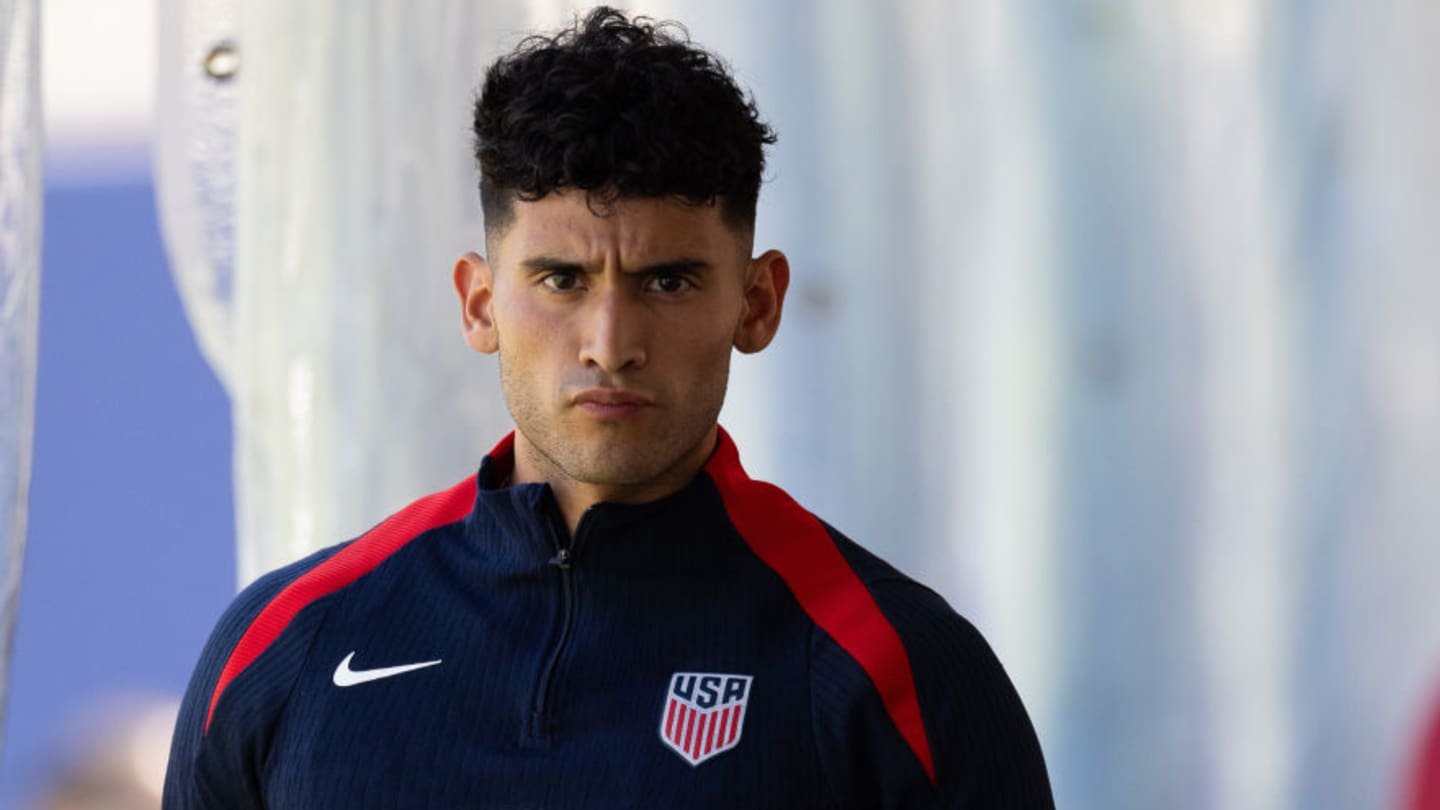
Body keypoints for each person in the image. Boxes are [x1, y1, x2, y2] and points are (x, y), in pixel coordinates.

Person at [163, 7, 1054, 808]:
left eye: (667, 280)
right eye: (560, 280)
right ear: (479, 304)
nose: (610, 340)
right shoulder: (285, 645)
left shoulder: (899, 668)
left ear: (758, 304)